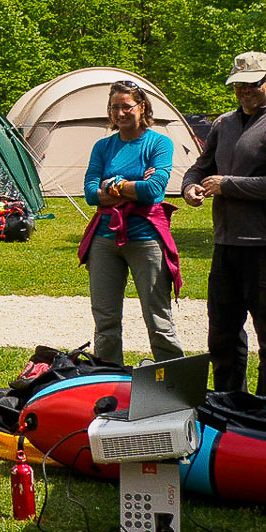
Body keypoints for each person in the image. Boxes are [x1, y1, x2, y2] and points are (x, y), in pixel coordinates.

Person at [182, 51, 266, 400]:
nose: (245, 91)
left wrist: (228, 185)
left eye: (252, 84)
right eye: (238, 85)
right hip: (228, 244)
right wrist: (190, 187)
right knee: (222, 335)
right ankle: (229, 406)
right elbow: (200, 168)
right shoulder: (223, 124)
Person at [79, 82, 182, 364]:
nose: (120, 112)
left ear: (143, 108)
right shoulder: (103, 147)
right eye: (115, 107)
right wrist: (129, 186)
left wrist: (111, 186)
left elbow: (154, 191)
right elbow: (90, 194)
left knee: (158, 320)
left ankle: (172, 383)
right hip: (104, 239)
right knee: (106, 323)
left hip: (145, 239)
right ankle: (107, 379)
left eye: (127, 106)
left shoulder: (159, 143)